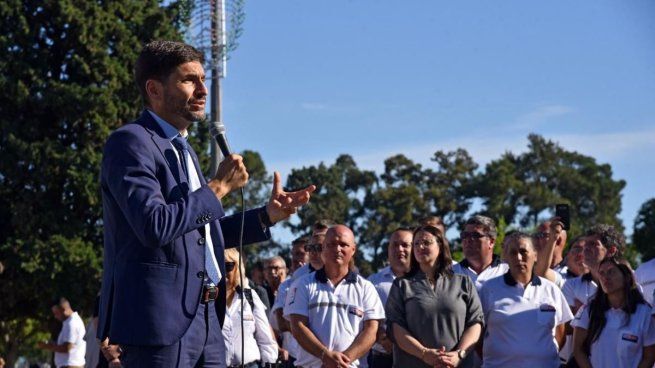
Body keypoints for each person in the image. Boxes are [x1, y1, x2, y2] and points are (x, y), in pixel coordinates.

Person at [98, 40, 314, 366]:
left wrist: (267, 216)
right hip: (159, 324)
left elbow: (201, 236)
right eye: (189, 80)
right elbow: (154, 225)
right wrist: (219, 187)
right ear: (154, 89)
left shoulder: (184, 151)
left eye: (203, 79)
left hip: (209, 321)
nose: (203, 90)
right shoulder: (131, 142)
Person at [285, 225, 385, 368]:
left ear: (353, 250)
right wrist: (325, 355)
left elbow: (371, 330)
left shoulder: (366, 288)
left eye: (343, 244)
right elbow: (297, 326)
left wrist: (342, 361)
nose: (337, 249)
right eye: (331, 244)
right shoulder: (301, 284)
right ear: (324, 248)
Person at [386, 225, 484, 368]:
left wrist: (459, 354)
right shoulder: (401, 285)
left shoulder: (463, 283)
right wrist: (424, 353)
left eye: (426, 242)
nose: (420, 247)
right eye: (416, 243)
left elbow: (476, 323)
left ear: (440, 245)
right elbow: (395, 327)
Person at [478, 232, 572, 368]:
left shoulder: (551, 289)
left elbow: (560, 331)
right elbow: (477, 334)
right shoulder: (488, 289)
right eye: (513, 253)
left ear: (535, 255)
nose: (518, 257)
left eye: (523, 252)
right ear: (505, 257)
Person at [572, 257, 655, 368]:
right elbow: (578, 349)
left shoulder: (645, 313)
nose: (605, 277)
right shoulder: (589, 310)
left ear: (626, 276)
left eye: (611, 271)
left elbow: (649, 356)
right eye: (601, 273)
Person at [365, 227, 413, 368]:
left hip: (418, 358)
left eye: (405, 245)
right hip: (382, 359)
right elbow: (364, 318)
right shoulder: (372, 282)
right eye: (395, 245)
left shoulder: (425, 281)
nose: (399, 249)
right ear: (388, 249)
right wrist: (383, 338)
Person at [223, 248, 278, 367]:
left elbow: (266, 338)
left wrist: (269, 363)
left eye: (228, 266)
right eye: (218, 266)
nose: (223, 271)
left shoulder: (250, 295)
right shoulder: (207, 299)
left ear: (238, 267)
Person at [562, 224, 625, 313]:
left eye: (593, 244)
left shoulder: (631, 281)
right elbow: (568, 326)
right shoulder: (571, 286)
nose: (586, 248)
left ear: (611, 251)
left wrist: (583, 312)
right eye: (586, 244)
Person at [453, 215, 508, 290]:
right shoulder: (451, 274)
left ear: (491, 242)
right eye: (465, 235)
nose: (468, 240)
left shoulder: (507, 273)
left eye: (475, 235)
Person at [38, 297, 86, 368]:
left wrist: (47, 346)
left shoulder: (72, 323)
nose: (55, 316)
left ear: (64, 309)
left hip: (71, 365)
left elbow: (67, 347)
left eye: (56, 313)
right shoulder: (69, 322)